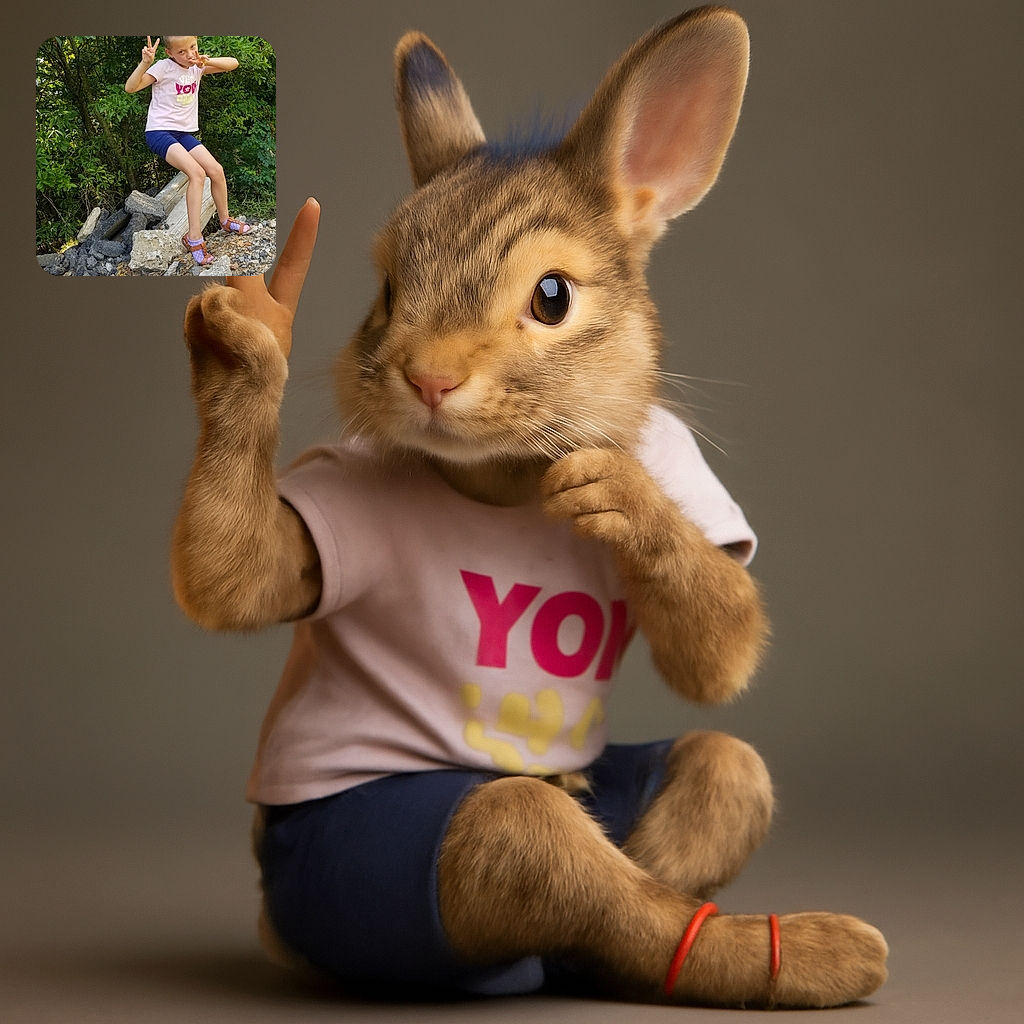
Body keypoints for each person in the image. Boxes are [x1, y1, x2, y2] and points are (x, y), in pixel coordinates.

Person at [125, 36, 252, 267]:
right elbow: (130, 87)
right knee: (196, 173)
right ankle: (193, 238)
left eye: (192, 47)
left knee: (216, 170)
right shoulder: (163, 67)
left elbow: (233, 63)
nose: (189, 54)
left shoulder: (197, 67)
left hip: (182, 134)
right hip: (159, 131)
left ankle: (225, 220)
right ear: (169, 53)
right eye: (181, 52)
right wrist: (145, 63)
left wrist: (205, 61)